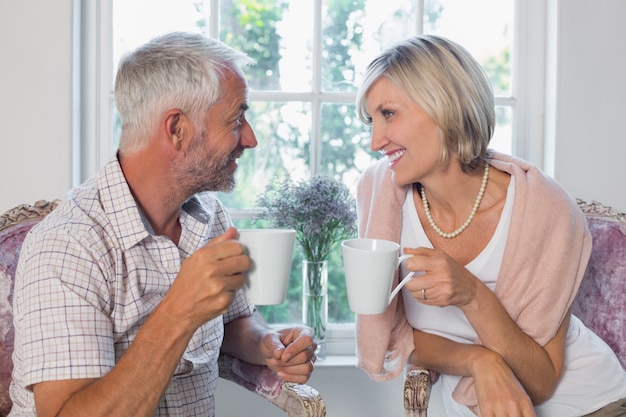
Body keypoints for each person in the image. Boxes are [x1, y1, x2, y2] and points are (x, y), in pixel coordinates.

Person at [9, 32, 317, 417]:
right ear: (176, 129)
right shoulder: (67, 247)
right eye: (236, 118)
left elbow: (236, 319)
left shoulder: (209, 214)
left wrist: (268, 343)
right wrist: (179, 310)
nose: (250, 138)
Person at [353, 34, 626, 416]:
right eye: (371, 120)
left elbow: (541, 380)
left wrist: (471, 294)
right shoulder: (382, 195)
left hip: (588, 403)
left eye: (388, 114)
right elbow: (398, 335)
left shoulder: (543, 209)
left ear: (443, 106)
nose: (375, 140)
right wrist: (479, 361)